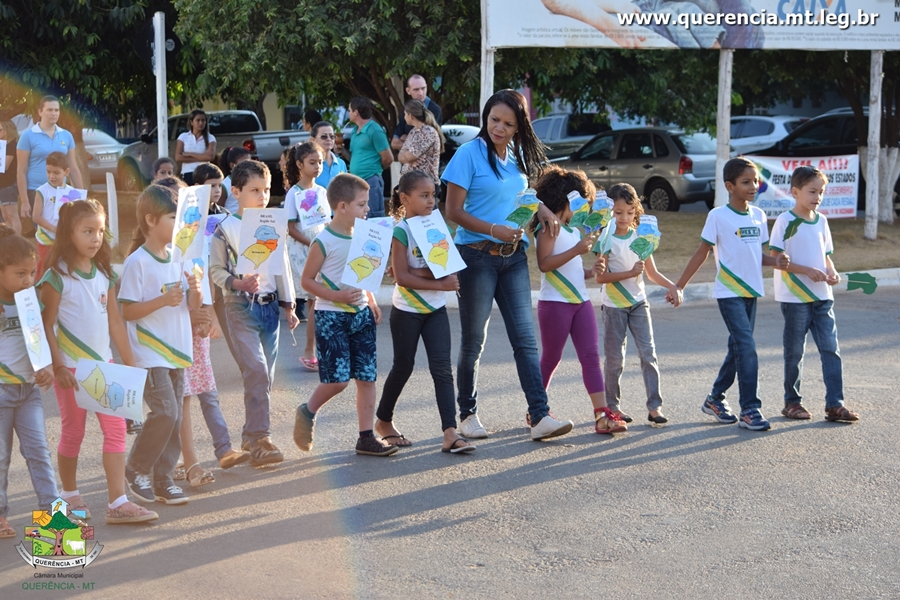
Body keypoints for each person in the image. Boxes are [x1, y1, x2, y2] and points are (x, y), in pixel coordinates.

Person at [442, 89, 574, 441]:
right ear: (486, 116)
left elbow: (522, 195)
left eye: (508, 123)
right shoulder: (468, 154)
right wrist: (492, 228)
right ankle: (467, 415)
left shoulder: (515, 153)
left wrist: (542, 208)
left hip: (513, 257)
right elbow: (452, 211)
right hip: (476, 256)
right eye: (494, 120)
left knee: (526, 340)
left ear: (519, 128)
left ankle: (540, 415)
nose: (499, 128)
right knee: (474, 341)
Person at [39, 199, 158, 523]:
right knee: (73, 432)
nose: (95, 238)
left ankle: (118, 502)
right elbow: (46, 325)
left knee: (116, 430)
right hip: (72, 371)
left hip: (103, 367)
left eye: (100, 231)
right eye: (87, 231)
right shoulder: (56, 277)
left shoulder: (104, 274)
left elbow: (115, 322)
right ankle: (69, 494)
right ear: (69, 232)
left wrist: (130, 362)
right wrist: (59, 366)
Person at [674, 157, 790, 432]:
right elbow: (702, 253)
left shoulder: (759, 216)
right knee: (747, 347)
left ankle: (715, 398)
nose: (754, 186)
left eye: (756, 181)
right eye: (746, 182)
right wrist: (679, 285)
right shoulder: (718, 216)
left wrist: (776, 262)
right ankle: (750, 409)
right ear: (730, 186)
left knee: (737, 348)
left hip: (752, 292)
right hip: (729, 292)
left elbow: (758, 255)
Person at [292, 173, 396, 457]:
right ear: (342, 207)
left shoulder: (364, 236)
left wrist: (371, 300)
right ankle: (307, 411)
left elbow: (365, 271)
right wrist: (336, 296)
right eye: (362, 205)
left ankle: (365, 437)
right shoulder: (323, 242)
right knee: (337, 381)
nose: (367, 210)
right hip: (331, 317)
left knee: (366, 378)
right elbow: (307, 281)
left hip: (360, 315)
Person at [375, 171, 475, 453]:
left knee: (442, 369)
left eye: (434, 195)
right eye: (424, 195)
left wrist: (433, 275)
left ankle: (450, 432)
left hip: (436, 309)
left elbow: (444, 263)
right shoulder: (401, 231)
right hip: (406, 310)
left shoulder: (437, 225)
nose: (432, 201)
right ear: (405, 199)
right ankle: (383, 420)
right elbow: (401, 277)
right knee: (403, 367)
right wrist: (440, 281)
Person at [209, 160, 299, 466]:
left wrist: (288, 304)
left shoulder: (273, 223)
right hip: (239, 308)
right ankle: (261, 438)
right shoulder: (225, 228)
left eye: (267, 190)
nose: (262, 196)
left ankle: (251, 436)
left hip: (270, 308)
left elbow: (282, 265)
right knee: (257, 371)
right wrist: (237, 282)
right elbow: (215, 271)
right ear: (235, 191)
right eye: (254, 190)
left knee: (264, 377)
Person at [119, 185, 202, 505]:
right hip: (150, 351)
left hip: (177, 350)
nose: (179, 225)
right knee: (165, 412)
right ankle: (136, 468)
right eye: (173, 217)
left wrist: (195, 289)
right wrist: (162, 300)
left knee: (176, 418)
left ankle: (163, 479)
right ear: (151, 220)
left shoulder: (180, 256)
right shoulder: (137, 262)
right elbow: (127, 310)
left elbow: (193, 305)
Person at [530, 167, 624, 434]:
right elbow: (545, 264)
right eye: (581, 201)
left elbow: (570, 268)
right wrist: (576, 249)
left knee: (591, 357)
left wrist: (590, 272)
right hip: (555, 304)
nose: (584, 208)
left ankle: (601, 415)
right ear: (565, 199)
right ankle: (536, 409)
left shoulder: (573, 229)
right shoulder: (548, 228)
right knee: (551, 358)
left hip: (580, 302)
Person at [176, 163, 251, 484]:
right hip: (172, 334)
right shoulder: (155, 254)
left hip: (198, 329)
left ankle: (223, 450)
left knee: (206, 391)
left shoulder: (201, 234)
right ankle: (175, 460)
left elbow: (203, 276)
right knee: (177, 402)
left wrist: (210, 315)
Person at [769, 166, 859, 423]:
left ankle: (835, 404)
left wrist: (833, 272)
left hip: (823, 298)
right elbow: (776, 259)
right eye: (812, 191)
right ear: (795, 192)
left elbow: (827, 257)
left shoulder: (821, 220)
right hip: (795, 299)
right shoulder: (785, 221)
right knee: (795, 352)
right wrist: (806, 271)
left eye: (821, 192)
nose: (817, 197)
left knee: (831, 350)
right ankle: (792, 402)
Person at [596, 183, 682, 425]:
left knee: (648, 354)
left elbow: (651, 273)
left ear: (636, 211)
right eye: (618, 212)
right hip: (613, 305)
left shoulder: (641, 237)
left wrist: (672, 286)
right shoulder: (605, 239)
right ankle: (612, 407)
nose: (624, 218)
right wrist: (629, 273)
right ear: (609, 212)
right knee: (615, 360)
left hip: (638, 303)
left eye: (630, 212)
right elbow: (600, 277)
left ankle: (655, 407)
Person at [0, 225, 60, 537]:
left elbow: (40, 341)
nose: (28, 280)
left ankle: (52, 517)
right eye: (19, 274)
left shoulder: (30, 301)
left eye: (31, 273)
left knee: (39, 453)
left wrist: (47, 367)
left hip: (28, 392)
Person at [285, 142, 329, 370]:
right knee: (314, 300)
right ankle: (309, 351)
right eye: (312, 162)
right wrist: (312, 243)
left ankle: (316, 350)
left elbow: (326, 223)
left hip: (322, 249)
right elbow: (290, 227)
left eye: (320, 162)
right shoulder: (293, 193)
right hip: (304, 250)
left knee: (319, 302)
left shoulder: (322, 192)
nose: (317, 166)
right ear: (300, 164)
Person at [16, 96, 84, 233]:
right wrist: (24, 201)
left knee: (65, 231)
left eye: (56, 110)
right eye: (49, 110)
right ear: (40, 112)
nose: (54, 113)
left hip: (62, 192)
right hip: (37, 191)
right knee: (46, 233)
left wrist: (81, 196)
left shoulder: (66, 136)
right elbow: (21, 170)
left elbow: (73, 167)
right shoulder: (27, 136)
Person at [347, 97, 392, 218]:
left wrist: (375, 169)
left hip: (371, 181)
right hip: (356, 182)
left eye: (349, 110)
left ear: (356, 112)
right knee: (360, 218)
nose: (348, 113)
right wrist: (340, 151)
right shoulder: (355, 131)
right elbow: (355, 156)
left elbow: (388, 158)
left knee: (373, 218)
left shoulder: (375, 130)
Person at [31, 152, 74, 278]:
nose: (51, 176)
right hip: (46, 240)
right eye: (48, 172)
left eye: (56, 172)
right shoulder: (42, 191)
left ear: (66, 172)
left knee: (63, 271)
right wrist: (55, 229)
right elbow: (36, 217)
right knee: (45, 272)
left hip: (65, 241)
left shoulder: (71, 192)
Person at [397, 99, 444, 187]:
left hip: (425, 184)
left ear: (410, 115)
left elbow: (410, 157)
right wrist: (406, 156)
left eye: (405, 114)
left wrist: (408, 156)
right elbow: (400, 157)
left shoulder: (428, 132)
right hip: (412, 184)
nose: (404, 117)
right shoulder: (413, 132)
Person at [391, 75, 443, 151]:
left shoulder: (434, 110)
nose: (421, 93)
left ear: (427, 87)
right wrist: (414, 144)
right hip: (407, 162)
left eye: (423, 88)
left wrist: (405, 138)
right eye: (416, 90)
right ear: (408, 91)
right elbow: (394, 143)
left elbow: (427, 146)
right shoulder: (407, 109)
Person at [175, 109, 217, 186]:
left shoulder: (210, 138)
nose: (201, 123)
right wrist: (203, 157)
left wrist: (189, 154)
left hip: (204, 173)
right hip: (187, 173)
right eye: (198, 120)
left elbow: (210, 157)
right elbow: (178, 157)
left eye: (203, 120)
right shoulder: (183, 136)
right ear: (191, 122)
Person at [0, 120, 22, 234]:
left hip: (9, 184)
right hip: (3, 185)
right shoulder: (4, 145)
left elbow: (5, 165)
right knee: (5, 217)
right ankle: (10, 240)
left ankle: (17, 241)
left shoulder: (11, 145)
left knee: (12, 216)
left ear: (8, 130)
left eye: (0, 130)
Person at [311, 121, 347, 189]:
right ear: (313, 140)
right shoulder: (310, 164)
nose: (329, 139)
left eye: (332, 136)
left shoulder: (341, 163)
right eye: (324, 136)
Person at [218, 146, 251, 212]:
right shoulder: (225, 185)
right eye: (244, 162)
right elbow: (219, 209)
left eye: (250, 162)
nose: (248, 165)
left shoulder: (250, 181)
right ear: (233, 165)